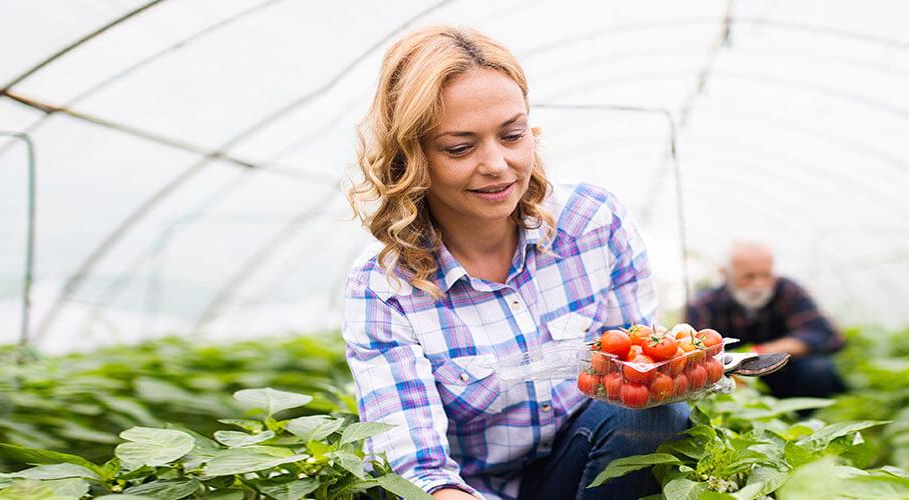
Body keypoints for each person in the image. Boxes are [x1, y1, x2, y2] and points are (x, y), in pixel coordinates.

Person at [341, 25, 686, 500]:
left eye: (512, 135)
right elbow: (416, 472)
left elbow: (639, 368)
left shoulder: (592, 223)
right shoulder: (384, 288)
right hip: (473, 491)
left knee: (653, 412)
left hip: (587, 465)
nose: (498, 164)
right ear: (411, 157)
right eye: (460, 147)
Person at [684, 241, 848, 400]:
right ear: (726, 274)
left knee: (818, 369)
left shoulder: (787, 291)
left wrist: (758, 352)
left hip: (784, 373)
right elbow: (694, 356)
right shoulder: (704, 305)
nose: (758, 284)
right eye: (749, 276)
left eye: (766, 275)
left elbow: (824, 334)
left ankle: (799, 417)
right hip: (732, 380)